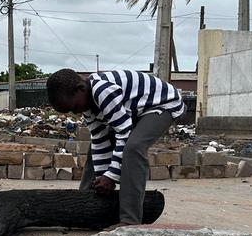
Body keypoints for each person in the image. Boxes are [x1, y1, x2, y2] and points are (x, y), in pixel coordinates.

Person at [46, 68, 184, 227]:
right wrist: (102, 178)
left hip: (163, 105)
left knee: (133, 147)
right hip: (134, 111)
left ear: (81, 89)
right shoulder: (86, 102)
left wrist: (111, 177)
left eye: (74, 107)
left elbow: (124, 134)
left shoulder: (103, 92)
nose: (76, 112)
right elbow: (99, 139)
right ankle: (84, 203)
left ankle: (130, 221)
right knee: (94, 152)